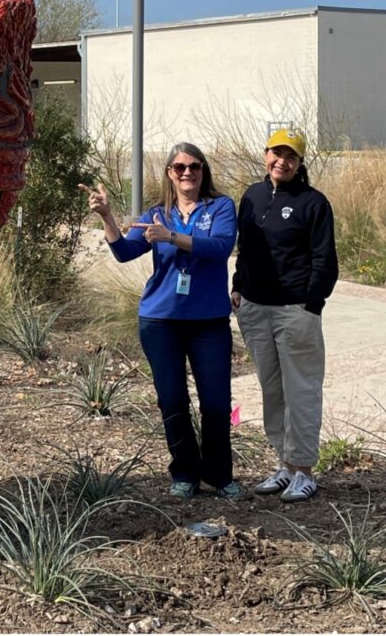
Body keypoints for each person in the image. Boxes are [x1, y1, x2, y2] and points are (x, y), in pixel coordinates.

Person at [80, 143, 239, 501]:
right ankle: (185, 473)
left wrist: (172, 238)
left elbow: (220, 248)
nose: (187, 173)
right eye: (179, 167)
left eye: (194, 167)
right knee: (172, 400)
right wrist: (106, 217)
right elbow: (124, 252)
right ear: (169, 172)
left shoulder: (221, 206)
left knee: (215, 402)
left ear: (203, 171)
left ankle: (219, 475)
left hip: (209, 322)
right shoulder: (157, 213)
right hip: (160, 321)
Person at [231, 128, 338, 503]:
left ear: (299, 162)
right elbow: (245, 249)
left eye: (291, 156)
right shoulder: (252, 196)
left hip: (296, 311)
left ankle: (305, 471)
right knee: (272, 391)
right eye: (277, 153)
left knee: (301, 391)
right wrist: (238, 286)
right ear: (265, 155)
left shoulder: (313, 203)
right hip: (256, 309)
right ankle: (285, 466)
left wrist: (312, 304)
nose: (283, 161)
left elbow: (325, 260)